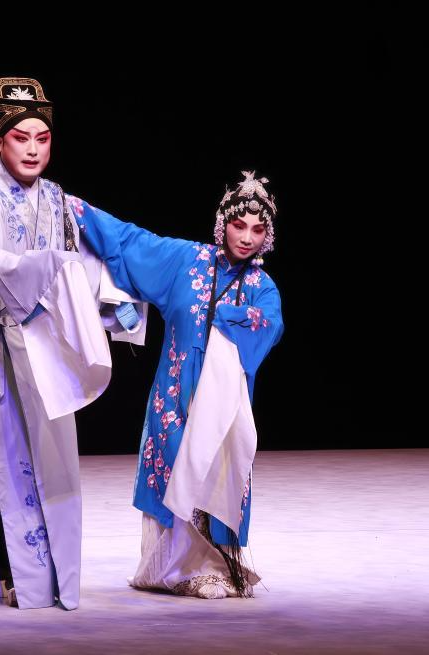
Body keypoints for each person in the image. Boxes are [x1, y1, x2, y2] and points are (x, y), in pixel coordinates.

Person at [0, 77, 137, 610]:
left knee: (53, 464)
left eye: (41, 139)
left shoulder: (58, 200)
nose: (31, 149)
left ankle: (51, 578)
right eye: (20, 137)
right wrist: (44, 268)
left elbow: (83, 261)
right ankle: (5, 572)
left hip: (47, 358)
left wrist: (112, 300)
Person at [68, 171, 284, 598]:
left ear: (268, 236)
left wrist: (231, 317)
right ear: (222, 223)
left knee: (215, 472)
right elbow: (131, 242)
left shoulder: (262, 287)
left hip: (223, 402)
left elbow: (271, 324)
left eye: (258, 229)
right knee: (174, 472)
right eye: (238, 225)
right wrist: (75, 210)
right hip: (174, 398)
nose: (246, 237)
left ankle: (215, 566)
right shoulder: (186, 261)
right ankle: (174, 569)